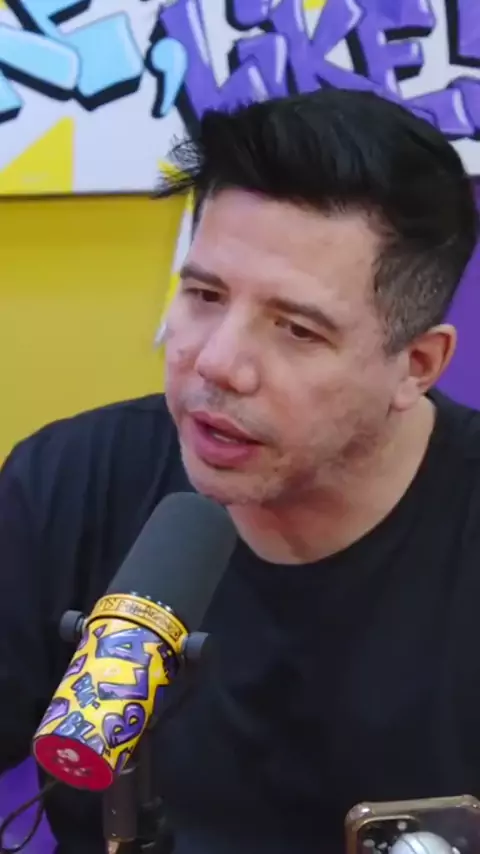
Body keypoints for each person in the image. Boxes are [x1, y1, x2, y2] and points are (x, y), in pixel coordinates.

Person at [1, 87, 479, 854]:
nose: (217, 363)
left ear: (416, 365)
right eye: (204, 294)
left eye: (297, 329)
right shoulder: (66, 482)